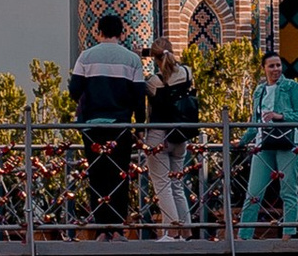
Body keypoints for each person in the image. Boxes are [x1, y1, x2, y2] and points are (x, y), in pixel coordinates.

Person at [68, 14, 149, 232]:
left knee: (97, 176)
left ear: (98, 32)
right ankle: (117, 228)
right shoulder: (132, 59)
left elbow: (74, 89)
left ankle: (101, 229)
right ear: (122, 33)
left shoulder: (86, 57)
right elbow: (139, 96)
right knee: (119, 176)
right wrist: (139, 124)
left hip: (92, 126)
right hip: (120, 127)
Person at [241, 40, 298, 237]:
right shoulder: (259, 91)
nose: (276, 69)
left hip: (288, 143)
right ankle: (244, 236)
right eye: (271, 66)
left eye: (278, 65)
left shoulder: (292, 87)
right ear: (264, 68)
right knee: (253, 192)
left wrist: (282, 117)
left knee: (288, 190)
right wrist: (243, 140)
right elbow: (255, 121)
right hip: (264, 144)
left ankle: (288, 234)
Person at [142, 38, 200, 232]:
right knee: (177, 184)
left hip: (158, 136)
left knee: (162, 185)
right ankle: (186, 230)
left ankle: (172, 232)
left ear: (154, 57)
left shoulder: (154, 82)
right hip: (180, 135)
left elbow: (141, 90)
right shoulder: (186, 72)